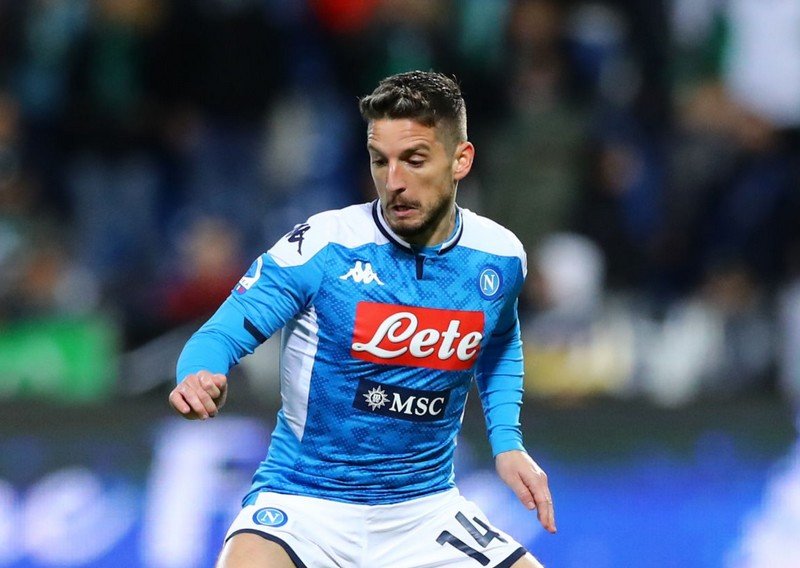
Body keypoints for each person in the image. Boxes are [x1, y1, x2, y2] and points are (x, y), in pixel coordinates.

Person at [169, 71, 556, 568]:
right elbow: (223, 331)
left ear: (461, 160)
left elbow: (499, 340)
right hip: (305, 504)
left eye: (414, 160)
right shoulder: (324, 247)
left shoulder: (499, 257)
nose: (394, 182)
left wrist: (507, 443)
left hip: (424, 512)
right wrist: (197, 373)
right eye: (380, 161)